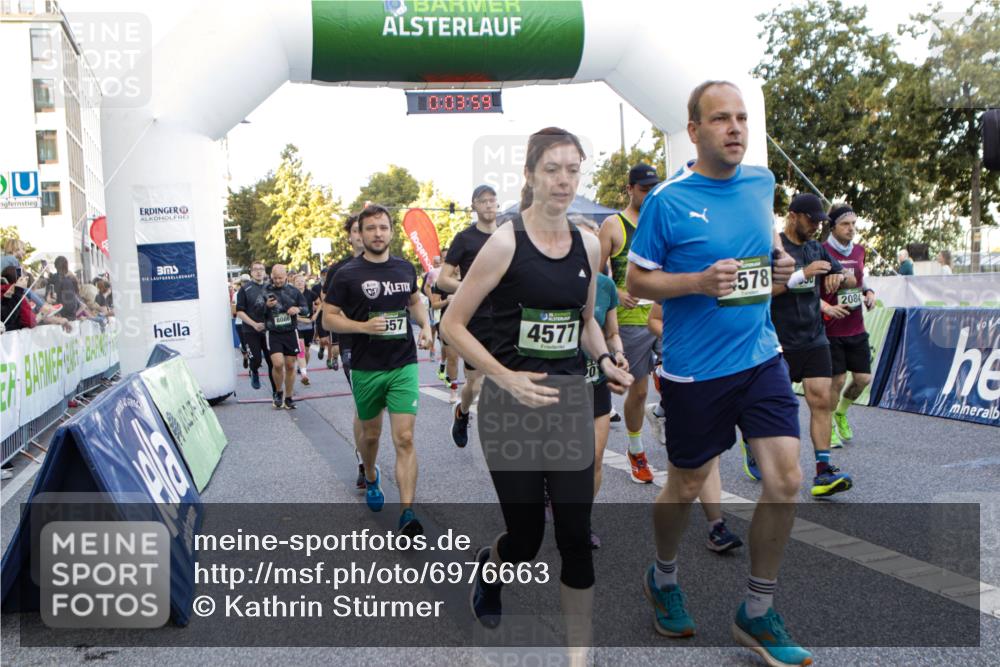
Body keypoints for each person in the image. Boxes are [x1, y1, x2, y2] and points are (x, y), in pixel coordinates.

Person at [626, 81, 812, 666]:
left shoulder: (763, 183)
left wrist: (780, 268)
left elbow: (765, 258)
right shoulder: (668, 201)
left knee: (784, 479)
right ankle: (663, 576)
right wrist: (698, 283)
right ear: (695, 130)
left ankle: (756, 612)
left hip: (760, 356)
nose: (735, 128)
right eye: (721, 119)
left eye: (741, 118)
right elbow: (637, 284)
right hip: (694, 371)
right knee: (683, 485)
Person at [442, 128, 633, 664]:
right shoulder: (505, 242)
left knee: (575, 534)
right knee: (525, 541)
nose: (564, 180)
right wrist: (503, 376)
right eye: (553, 169)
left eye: (573, 169)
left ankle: (578, 658)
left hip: (570, 403)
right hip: (509, 410)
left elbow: (585, 321)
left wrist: (604, 359)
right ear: (529, 175)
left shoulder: (590, 244)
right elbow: (453, 324)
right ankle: (491, 566)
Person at [324, 204, 432, 535]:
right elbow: (328, 317)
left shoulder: (404, 268)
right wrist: (363, 327)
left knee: (405, 437)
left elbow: (414, 300)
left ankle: (408, 513)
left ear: (391, 231)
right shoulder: (347, 274)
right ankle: (371, 474)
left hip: (403, 363)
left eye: (383, 227)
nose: (377, 233)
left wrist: (426, 326)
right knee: (371, 435)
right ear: (361, 232)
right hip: (367, 367)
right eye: (370, 228)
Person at [764, 192, 855, 498]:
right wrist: (799, 276)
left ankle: (823, 471)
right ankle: (756, 447)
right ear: (793, 215)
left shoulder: (816, 247)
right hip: (779, 341)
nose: (817, 226)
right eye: (811, 220)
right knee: (775, 408)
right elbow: (760, 293)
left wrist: (839, 277)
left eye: (820, 221)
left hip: (814, 337)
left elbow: (851, 279)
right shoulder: (774, 247)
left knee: (821, 399)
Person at [646, 303, 744, 552]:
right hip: (687, 374)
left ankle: (716, 525)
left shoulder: (738, 271)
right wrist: (682, 339)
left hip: (725, 371)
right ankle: (665, 565)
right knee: (687, 477)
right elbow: (654, 319)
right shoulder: (684, 269)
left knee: (713, 456)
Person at [598, 163, 662, 484]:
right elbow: (595, 278)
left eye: (654, 189)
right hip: (631, 322)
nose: (649, 195)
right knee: (638, 393)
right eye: (643, 189)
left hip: (665, 315)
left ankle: (663, 411)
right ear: (630, 190)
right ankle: (636, 450)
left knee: (685, 378)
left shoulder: (665, 221)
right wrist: (618, 291)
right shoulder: (613, 225)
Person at [574, 220, 630, 549]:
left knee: (594, 457)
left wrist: (618, 354)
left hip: (595, 381)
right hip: (561, 385)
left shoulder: (606, 286)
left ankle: (582, 521)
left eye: (593, 242)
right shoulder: (553, 284)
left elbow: (610, 332)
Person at [437, 185, 499, 448]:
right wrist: (471, 288)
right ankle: (462, 412)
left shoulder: (509, 236)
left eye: (492, 200)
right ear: (474, 206)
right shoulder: (464, 239)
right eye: (482, 201)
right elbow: (443, 280)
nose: (488, 205)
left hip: (507, 318)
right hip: (476, 318)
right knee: (476, 382)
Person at [821, 204, 877, 447]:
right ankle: (830, 424)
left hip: (856, 327)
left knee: (863, 379)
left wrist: (869, 292)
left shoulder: (860, 250)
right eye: (845, 224)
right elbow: (809, 291)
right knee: (837, 380)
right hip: (831, 329)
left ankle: (841, 412)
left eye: (854, 224)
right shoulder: (820, 251)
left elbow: (862, 280)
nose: (851, 229)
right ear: (833, 226)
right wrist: (825, 306)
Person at [263, 264, 307, 409]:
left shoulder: (294, 291)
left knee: (289, 365)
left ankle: (288, 397)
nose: (277, 281)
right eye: (275, 278)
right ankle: (278, 392)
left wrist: (298, 309)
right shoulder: (266, 290)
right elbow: (256, 310)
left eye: (280, 278)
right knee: (277, 364)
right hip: (274, 332)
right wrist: (266, 307)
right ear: (271, 276)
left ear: (286, 276)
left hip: (290, 332)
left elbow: (306, 309)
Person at [236, 261, 278, 394]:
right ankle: (253, 370)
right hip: (250, 330)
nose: (259, 272)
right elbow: (239, 312)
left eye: (261, 269)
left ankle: (276, 393)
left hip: (268, 331)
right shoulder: (245, 289)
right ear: (251, 272)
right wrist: (254, 324)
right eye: (256, 269)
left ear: (265, 272)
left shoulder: (271, 287)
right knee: (256, 360)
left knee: (273, 363)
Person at [293, 274, 318, 386]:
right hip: (297, 325)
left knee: (306, 351)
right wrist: (298, 318)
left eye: (302, 281)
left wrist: (315, 315)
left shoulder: (310, 293)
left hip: (309, 325)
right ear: (294, 283)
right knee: (301, 349)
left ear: (305, 282)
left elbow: (320, 303)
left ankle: (303, 367)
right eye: (297, 281)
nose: (300, 283)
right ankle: (304, 374)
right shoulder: (291, 294)